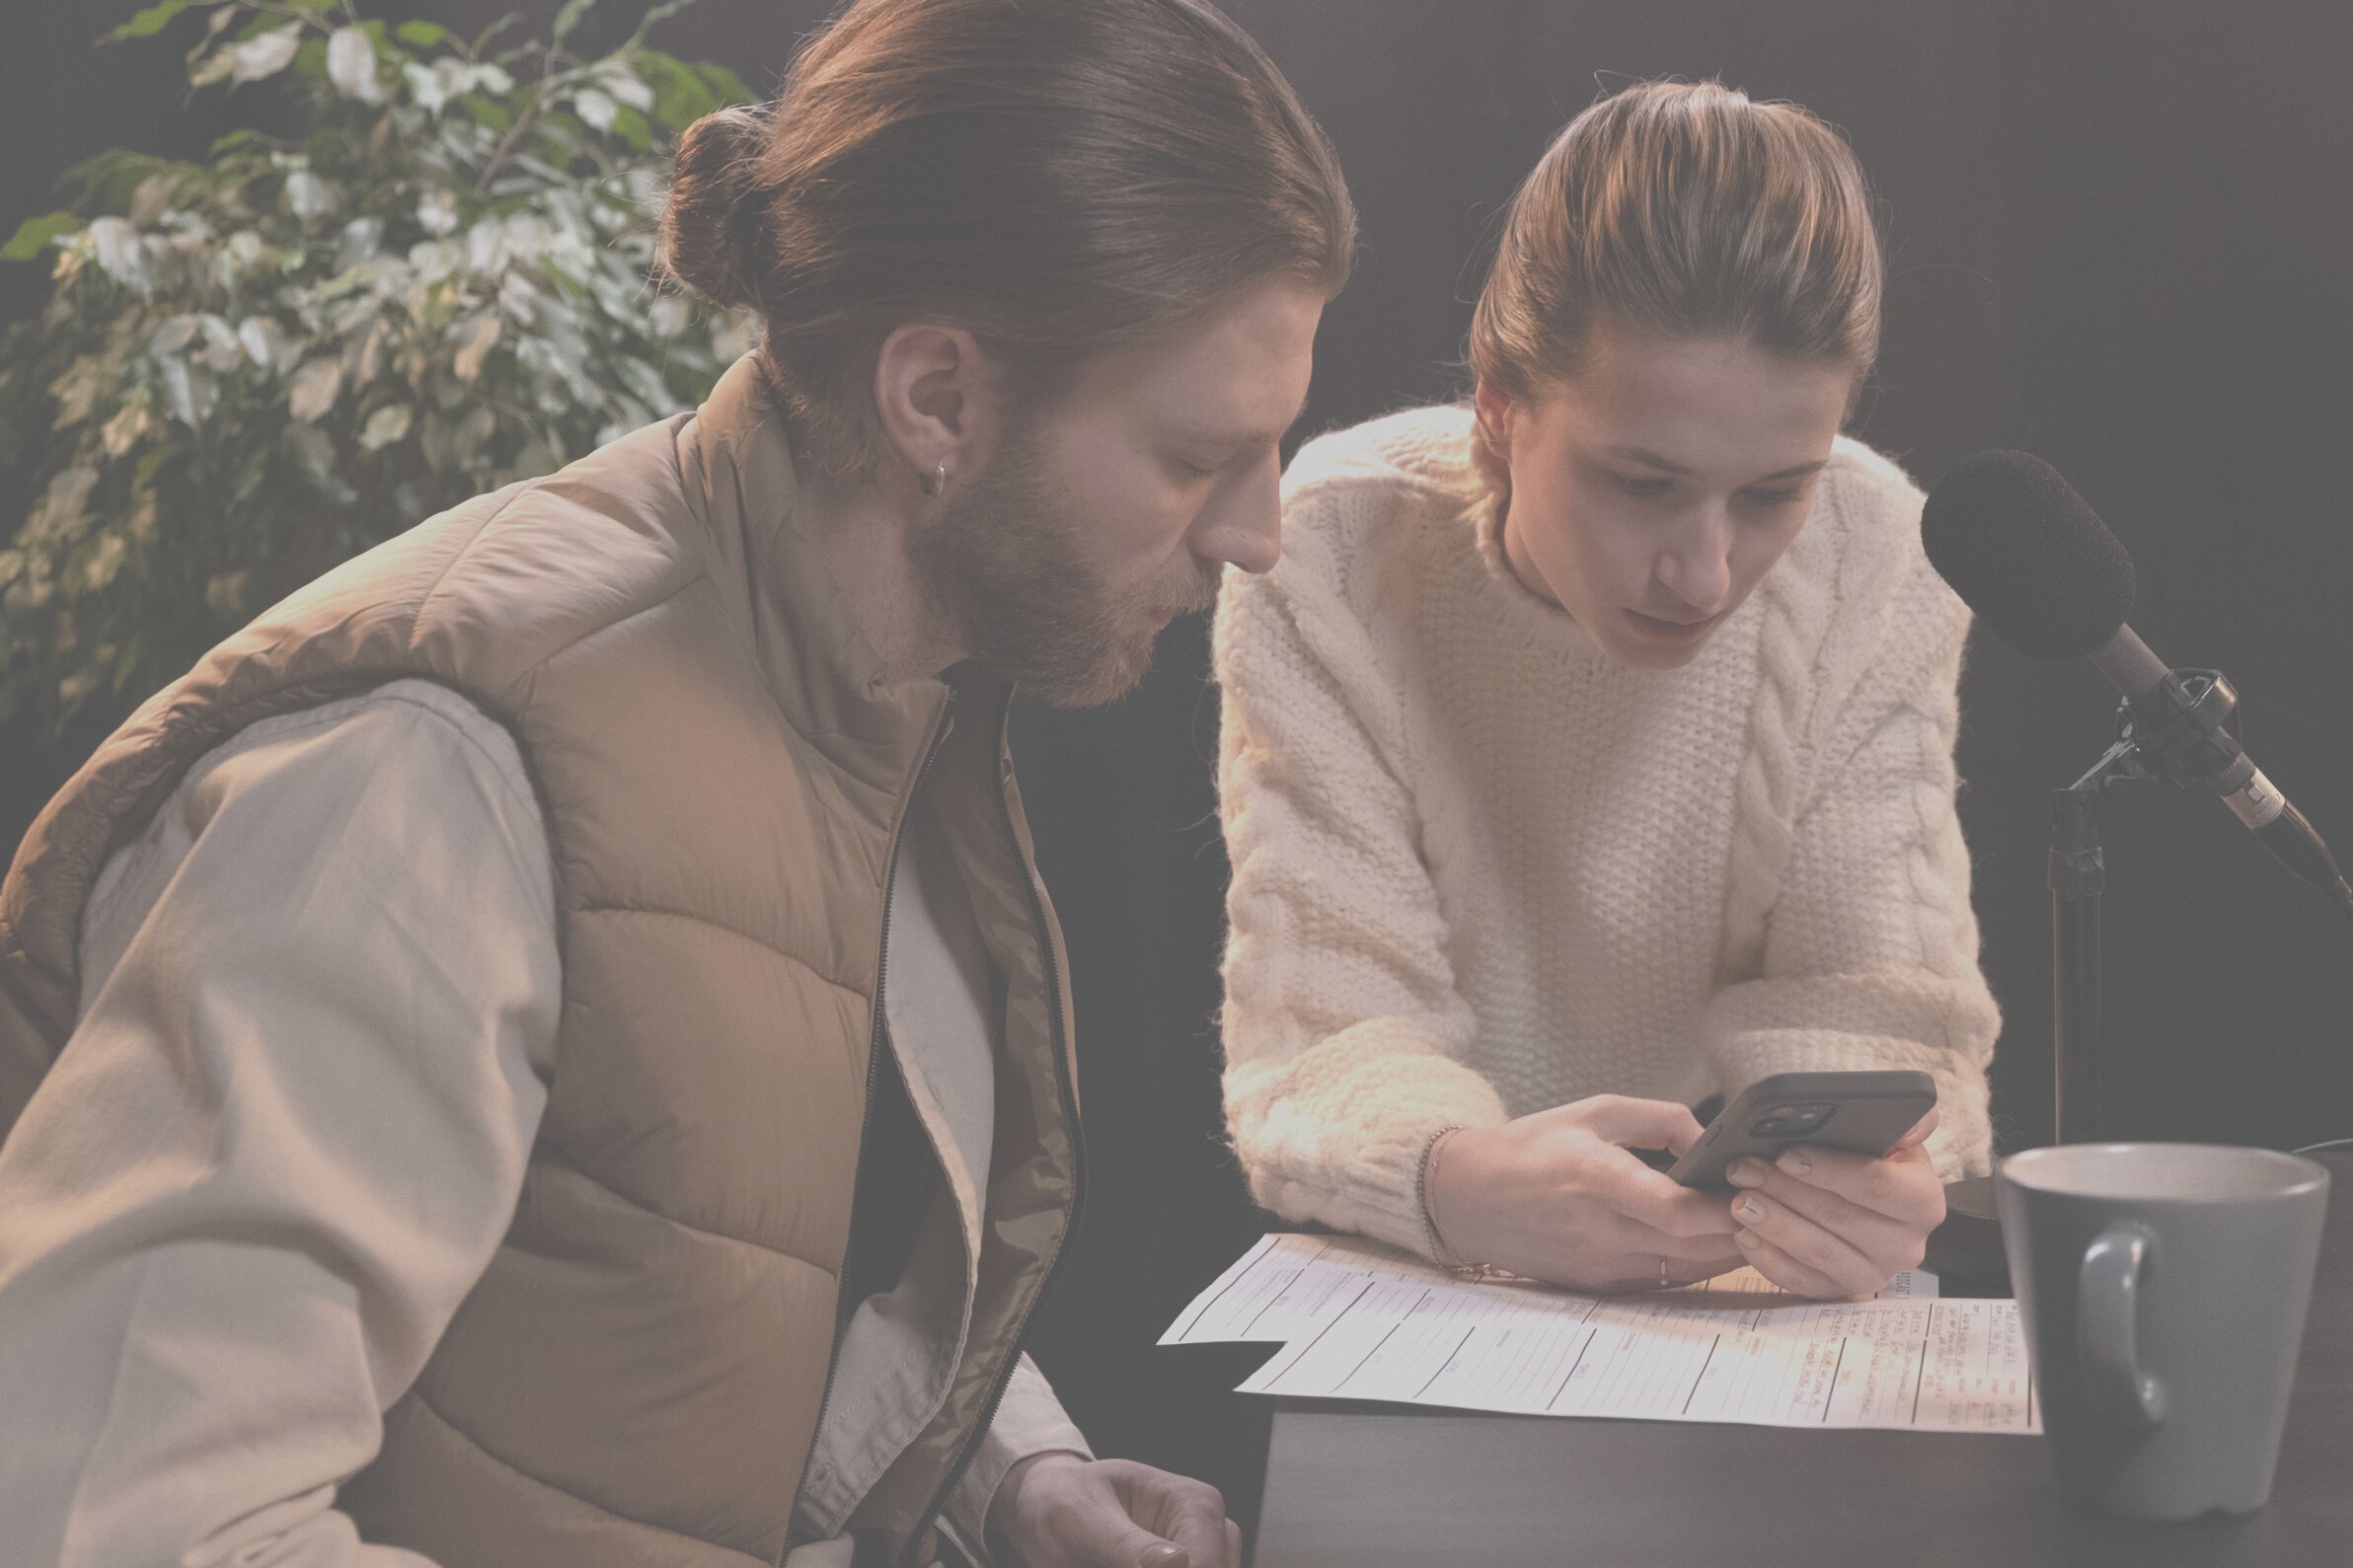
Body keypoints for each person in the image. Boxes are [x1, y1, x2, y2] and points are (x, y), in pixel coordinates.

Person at [0, 3, 1352, 1565]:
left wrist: (1007, 1474)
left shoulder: (872, 691)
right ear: (937, 401)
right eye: (1197, 456)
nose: (1257, 529)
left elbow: (710, 1257)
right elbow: (101, 1514)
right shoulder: (435, 780)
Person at [1215, 80, 1995, 1302]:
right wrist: (1453, 1175)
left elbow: (1867, 1003)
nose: (1705, 571)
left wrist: (1873, 1180)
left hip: (1730, 1274)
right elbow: (1329, 1023)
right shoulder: (1330, 545)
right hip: (1419, 1275)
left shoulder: (1876, 548)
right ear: (1498, 404)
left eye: (1770, 492)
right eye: (1641, 482)